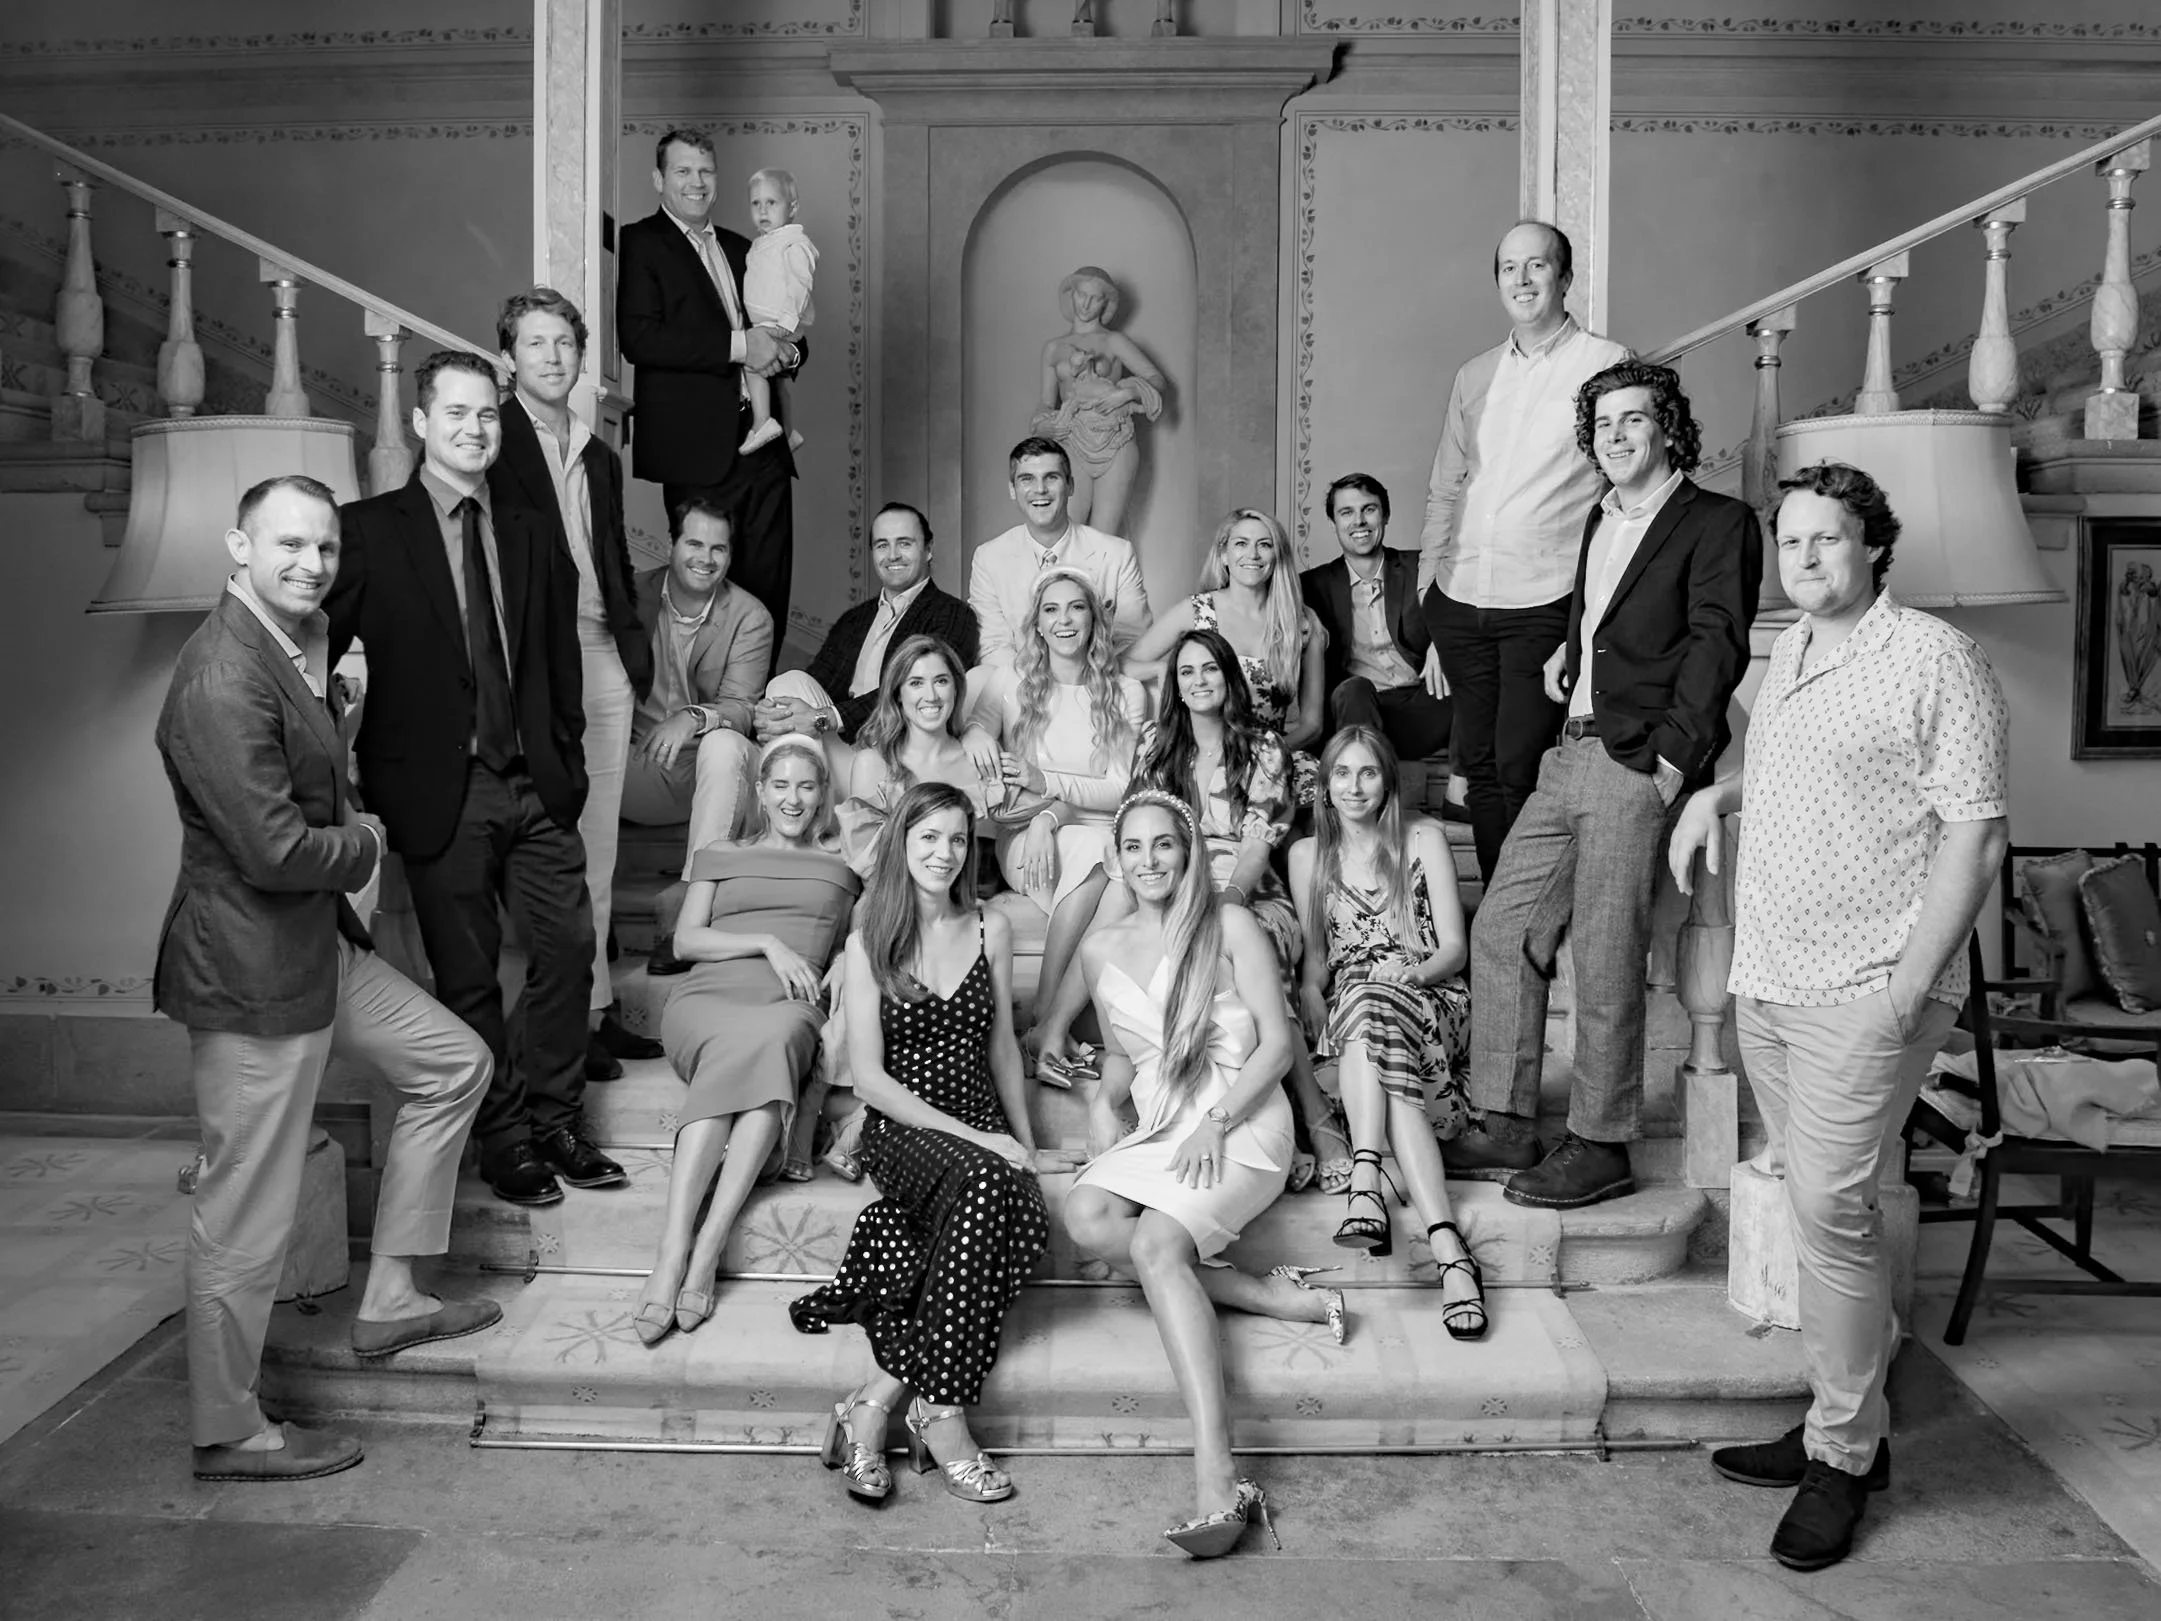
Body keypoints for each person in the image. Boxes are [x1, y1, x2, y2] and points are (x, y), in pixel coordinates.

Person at [1671, 461, 2009, 1572]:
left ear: (1873, 546)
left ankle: (1845, 1457)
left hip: (1869, 986)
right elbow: (1785, 781)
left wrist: (1909, 987)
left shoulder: (1933, 658)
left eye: (1827, 540)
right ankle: (1839, 1418)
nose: (1805, 558)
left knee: (1831, 1207)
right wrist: (1713, 795)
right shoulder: (1793, 655)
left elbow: (1974, 837)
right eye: (1792, 541)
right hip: (1771, 978)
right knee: (1821, 1218)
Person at [158, 475, 499, 1482]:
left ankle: (390, 1297)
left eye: (324, 548)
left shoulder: (283, 646)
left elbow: (295, 781)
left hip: (317, 950)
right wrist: (367, 844)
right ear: (238, 545)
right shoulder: (221, 673)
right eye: (288, 545)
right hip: (253, 973)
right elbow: (270, 846)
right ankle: (229, 1428)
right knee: (244, 1213)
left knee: (452, 1062)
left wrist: (338, 725)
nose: (309, 563)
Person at [1452, 361, 1760, 1208]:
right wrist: (1572, 659)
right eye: (1602, 424)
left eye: (1633, 419)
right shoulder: (1600, 518)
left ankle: (1600, 1140)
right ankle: (1506, 1119)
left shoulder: (1715, 521)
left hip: (1635, 759)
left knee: (1605, 949)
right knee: (1504, 923)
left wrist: (1668, 761)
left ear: (1667, 427)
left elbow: (1715, 643)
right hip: (1569, 750)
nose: (1615, 436)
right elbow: (1603, 621)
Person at [328, 350, 625, 1209]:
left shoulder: (532, 527)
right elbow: (314, 643)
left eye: (487, 415)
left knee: (570, 947)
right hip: (435, 788)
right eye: (455, 414)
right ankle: (504, 1140)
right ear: (421, 423)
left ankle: (558, 1119)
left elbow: (557, 661)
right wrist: (336, 746)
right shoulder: (371, 529)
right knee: (467, 975)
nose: (474, 429)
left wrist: (561, 761)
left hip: (533, 781)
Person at [1062, 790, 1346, 1559]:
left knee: (1155, 1246)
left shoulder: (1227, 924)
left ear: (1187, 851)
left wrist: (1218, 1120)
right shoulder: (1099, 947)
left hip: (1241, 1116)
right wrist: (1099, 1101)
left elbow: (1278, 1048)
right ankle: (1260, 1292)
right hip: (1161, 1122)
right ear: (1115, 859)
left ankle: (1219, 1478)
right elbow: (1127, 1049)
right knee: (1085, 1217)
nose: (1149, 860)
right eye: (1133, 848)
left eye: (1164, 845)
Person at [790, 783, 1049, 1505]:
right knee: (985, 1187)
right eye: (930, 837)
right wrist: (981, 1140)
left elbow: (1000, 1044)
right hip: (902, 1129)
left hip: (978, 1122)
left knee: (1023, 1220)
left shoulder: (989, 927)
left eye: (959, 839)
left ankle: (874, 1401)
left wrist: (1021, 1140)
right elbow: (870, 1080)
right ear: (903, 841)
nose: (945, 852)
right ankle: (944, 1413)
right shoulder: (870, 936)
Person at [1035, 627, 1350, 1191]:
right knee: (1113, 898)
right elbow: (1138, 826)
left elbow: (1258, 843)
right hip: (1170, 869)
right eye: (1187, 672)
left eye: (1209, 669)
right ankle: (1051, 1029)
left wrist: (1223, 901)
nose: (1198, 681)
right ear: (1175, 686)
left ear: (1228, 679)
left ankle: (1314, 1114)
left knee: (1251, 943)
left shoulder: (1264, 746)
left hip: (1240, 882)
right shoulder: (1157, 742)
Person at [1417, 221, 1631, 882]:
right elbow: (1446, 484)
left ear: (1564, 278)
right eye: (1509, 267)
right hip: (1460, 600)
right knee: (1476, 767)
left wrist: (1590, 615)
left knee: (1518, 763)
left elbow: (1618, 487)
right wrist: (1429, 596)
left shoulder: (1604, 362)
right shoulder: (1474, 373)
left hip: (1540, 601)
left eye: (1537, 266)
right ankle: (1503, 932)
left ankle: (1523, 919)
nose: (1522, 279)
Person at [633, 734, 861, 1345]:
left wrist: (844, 959)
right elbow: (685, 942)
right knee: (753, 1057)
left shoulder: (845, 866)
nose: (793, 798)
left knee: (775, 1044)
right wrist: (766, 942)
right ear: (760, 792)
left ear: (822, 797)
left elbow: (860, 941)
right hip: (709, 998)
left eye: (806, 787)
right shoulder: (718, 853)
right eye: (780, 785)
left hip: (790, 1007)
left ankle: (705, 1249)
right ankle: (673, 1251)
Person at [487, 285, 661, 1083]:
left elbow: (611, 557)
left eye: (564, 344)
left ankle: (589, 1014)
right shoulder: (491, 438)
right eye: (536, 343)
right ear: (508, 358)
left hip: (601, 661)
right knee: (551, 856)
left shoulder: (597, 452)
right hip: (533, 665)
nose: (552, 357)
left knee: (599, 851)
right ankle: (559, 1019)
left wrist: (633, 652)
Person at [1289, 727, 1484, 1339]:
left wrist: (1412, 970)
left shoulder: (1422, 839)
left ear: (1388, 780)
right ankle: (1452, 1256)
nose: (1354, 787)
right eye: (1341, 774)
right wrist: (1306, 992)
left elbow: (1453, 948)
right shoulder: (1306, 856)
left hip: (1431, 999)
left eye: (1367, 773)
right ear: (1324, 785)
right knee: (1364, 1004)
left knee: (1374, 1000)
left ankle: (1366, 1175)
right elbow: (1319, 960)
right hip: (1356, 1015)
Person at [617, 127, 801, 660]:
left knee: (768, 586)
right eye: (683, 171)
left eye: (705, 171)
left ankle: (753, 715)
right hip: (693, 449)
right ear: (658, 179)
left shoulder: (749, 248)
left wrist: (788, 354)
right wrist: (742, 345)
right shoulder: (639, 243)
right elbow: (640, 337)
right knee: (700, 589)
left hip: (763, 444)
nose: (696, 182)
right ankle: (698, 717)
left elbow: (786, 331)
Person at [963, 568, 1145, 1011]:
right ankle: (1048, 1013)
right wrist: (975, 733)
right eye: (1051, 610)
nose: (1064, 620)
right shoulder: (1011, 682)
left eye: (1076, 607)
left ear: (1093, 620)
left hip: (1098, 830)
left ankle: (1050, 1019)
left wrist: (1048, 789)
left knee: (1120, 878)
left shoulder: (1126, 692)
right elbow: (973, 729)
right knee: (1101, 856)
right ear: (1038, 625)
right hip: (1028, 837)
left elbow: (1121, 791)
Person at [620, 495, 775, 915]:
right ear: (672, 543)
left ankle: (692, 903)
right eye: (694, 544)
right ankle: (577, 912)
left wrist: (691, 718)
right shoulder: (631, 596)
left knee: (723, 745)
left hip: (704, 772)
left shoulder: (750, 617)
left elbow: (742, 708)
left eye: (718, 548)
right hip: (633, 764)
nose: (705, 558)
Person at [751, 501, 980, 748]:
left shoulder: (953, 614)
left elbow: (912, 692)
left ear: (928, 549)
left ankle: (804, 780)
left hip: (896, 747)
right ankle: (802, 777)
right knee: (786, 683)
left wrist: (825, 718)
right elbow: (814, 681)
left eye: (904, 543)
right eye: (882, 545)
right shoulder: (854, 619)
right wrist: (771, 714)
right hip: (840, 745)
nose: (892, 555)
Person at [1127, 507, 1326, 756]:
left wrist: (1266, 756)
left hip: (1271, 756)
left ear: (1278, 556)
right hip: (1202, 755)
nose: (1252, 554)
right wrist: (1160, 670)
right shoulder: (1197, 611)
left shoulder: (1302, 623)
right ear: (1223, 554)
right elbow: (1122, 663)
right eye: (1241, 544)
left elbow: (1312, 725)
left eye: (1264, 545)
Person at [1301, 473, 1453, 776]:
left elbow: (1464, 606)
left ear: (1385, 515)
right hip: (1357, 711)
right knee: (1353, 689)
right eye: (1347, 512)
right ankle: (1369, 787)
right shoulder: (1312, 586)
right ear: (1334, 521)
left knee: (1473, 674)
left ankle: (1459, 789)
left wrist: (1443, 643)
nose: (1359, 521)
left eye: (1369, 509)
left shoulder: (1421, 567)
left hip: (1423, 705)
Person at [968, 436, 1151, 670]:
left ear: (1070, 485)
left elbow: (1132, 641)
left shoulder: (1116, 553)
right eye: (1027, 479)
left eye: (1051, 478)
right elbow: (992, 647)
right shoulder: (988, 558)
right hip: (1018, 691)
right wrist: (1035, 691)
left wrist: (1078, 686)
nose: (1040, 489)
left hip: (1095, 685)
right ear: (1013, 490)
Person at [1030, 265, 1167, 540]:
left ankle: (1103, 584)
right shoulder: (1054, 348)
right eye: (1082, 295)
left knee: (1105, 536)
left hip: (1114, 439)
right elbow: (1046, 403)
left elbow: (1156, 379)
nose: (1087, 304)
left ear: (1106, 303)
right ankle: (1066, 585)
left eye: (1096, 298)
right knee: (1067, 532)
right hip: (1071, 439)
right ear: (1071, 294)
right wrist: (1044, 425)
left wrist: (1126, 394)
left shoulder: (1114, 341)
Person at [739, 167, 818, 456]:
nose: (762, 210)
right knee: (781, 382)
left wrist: (785, 324)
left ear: (792, 207)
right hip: (769, 320)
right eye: (756, 203)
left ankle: (762, 422)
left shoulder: (793, 244)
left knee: (752, 362)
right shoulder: (762, 243)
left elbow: (800, 285)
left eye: (771, 203)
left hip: (778, 323)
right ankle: (788, 431)